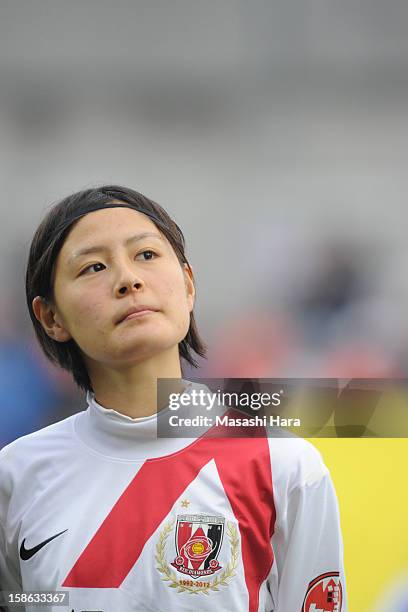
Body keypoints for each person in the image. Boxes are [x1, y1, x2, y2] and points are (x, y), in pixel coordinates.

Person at [0, 185, 346, 611]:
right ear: (50, 317)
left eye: (146, 255)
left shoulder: (284, 465)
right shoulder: (16, 476)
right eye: (93, 267)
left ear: (187, 285)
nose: (128, 280)